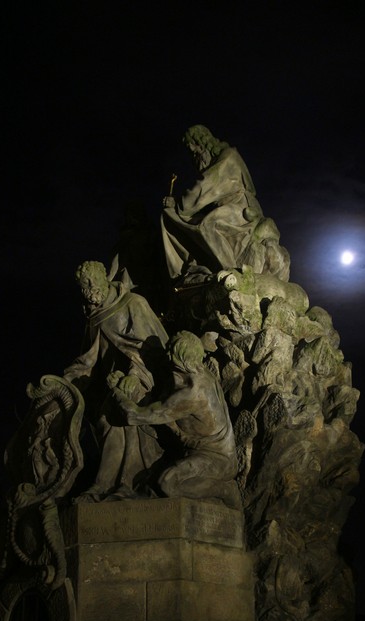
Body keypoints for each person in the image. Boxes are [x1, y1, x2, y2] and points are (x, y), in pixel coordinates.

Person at [64, 260, 169, 500]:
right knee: (102, 416)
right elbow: (88, 360)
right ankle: (106, 485)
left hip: (145, 378)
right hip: (112, 384)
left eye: (92, 281)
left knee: (117, 414)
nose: (89, 288)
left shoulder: (133, 303)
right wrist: (68, 379)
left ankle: (129, 483)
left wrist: (133, 375)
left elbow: (151, 348)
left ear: (105, 277)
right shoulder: (96, 316)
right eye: (83, 286)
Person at [112, 330, 242, 510]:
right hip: (194, 450)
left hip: (217, 460)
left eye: (170, 351)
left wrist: (117, 392)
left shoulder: (192, 393)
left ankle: (225, 491)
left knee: (167, 482)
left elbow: (134, 415)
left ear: (180, 357)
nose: (166, 355)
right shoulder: (200, 375)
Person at [161, 124, 264, 281]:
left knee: (209, 224)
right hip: (227, 207)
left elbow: (206, 186)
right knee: (187, 221)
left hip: (242, 208)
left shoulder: (228, 157)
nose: (195, 156)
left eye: (195, 150)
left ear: (202, 143)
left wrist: (178, 203)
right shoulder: (219, 158)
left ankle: (233, 273)